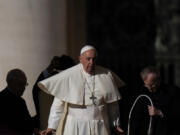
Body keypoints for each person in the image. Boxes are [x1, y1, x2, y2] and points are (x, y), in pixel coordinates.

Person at [38, 45, 125, 135]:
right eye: (88, 59)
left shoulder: (106, 75)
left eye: (94, 59)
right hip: (76, 127)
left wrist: (115, 125)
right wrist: (51, 127)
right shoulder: (68, 75)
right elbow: (57, 106)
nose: (91, 62)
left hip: (100, 127)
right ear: (80, 59)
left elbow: (112, 105)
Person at [129, 66, 180, 135]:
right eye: (147, 85)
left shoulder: (172, 92)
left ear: (158, 80)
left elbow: (177, 114)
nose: (149, 88)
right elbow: (135, 117)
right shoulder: (141, 94)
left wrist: (160, 112)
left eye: (152, 84)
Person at [33, 55, 75, 132]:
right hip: (49, 124)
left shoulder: (75, 83)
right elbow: (36, 89)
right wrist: (50, 68)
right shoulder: (52, 81)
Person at [0, 69, 33, 135]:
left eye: (25, 84)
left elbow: (27, 123)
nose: (24, 88)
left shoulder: (21, 101)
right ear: (11, 83)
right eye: (21, 84)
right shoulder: (1, 100)